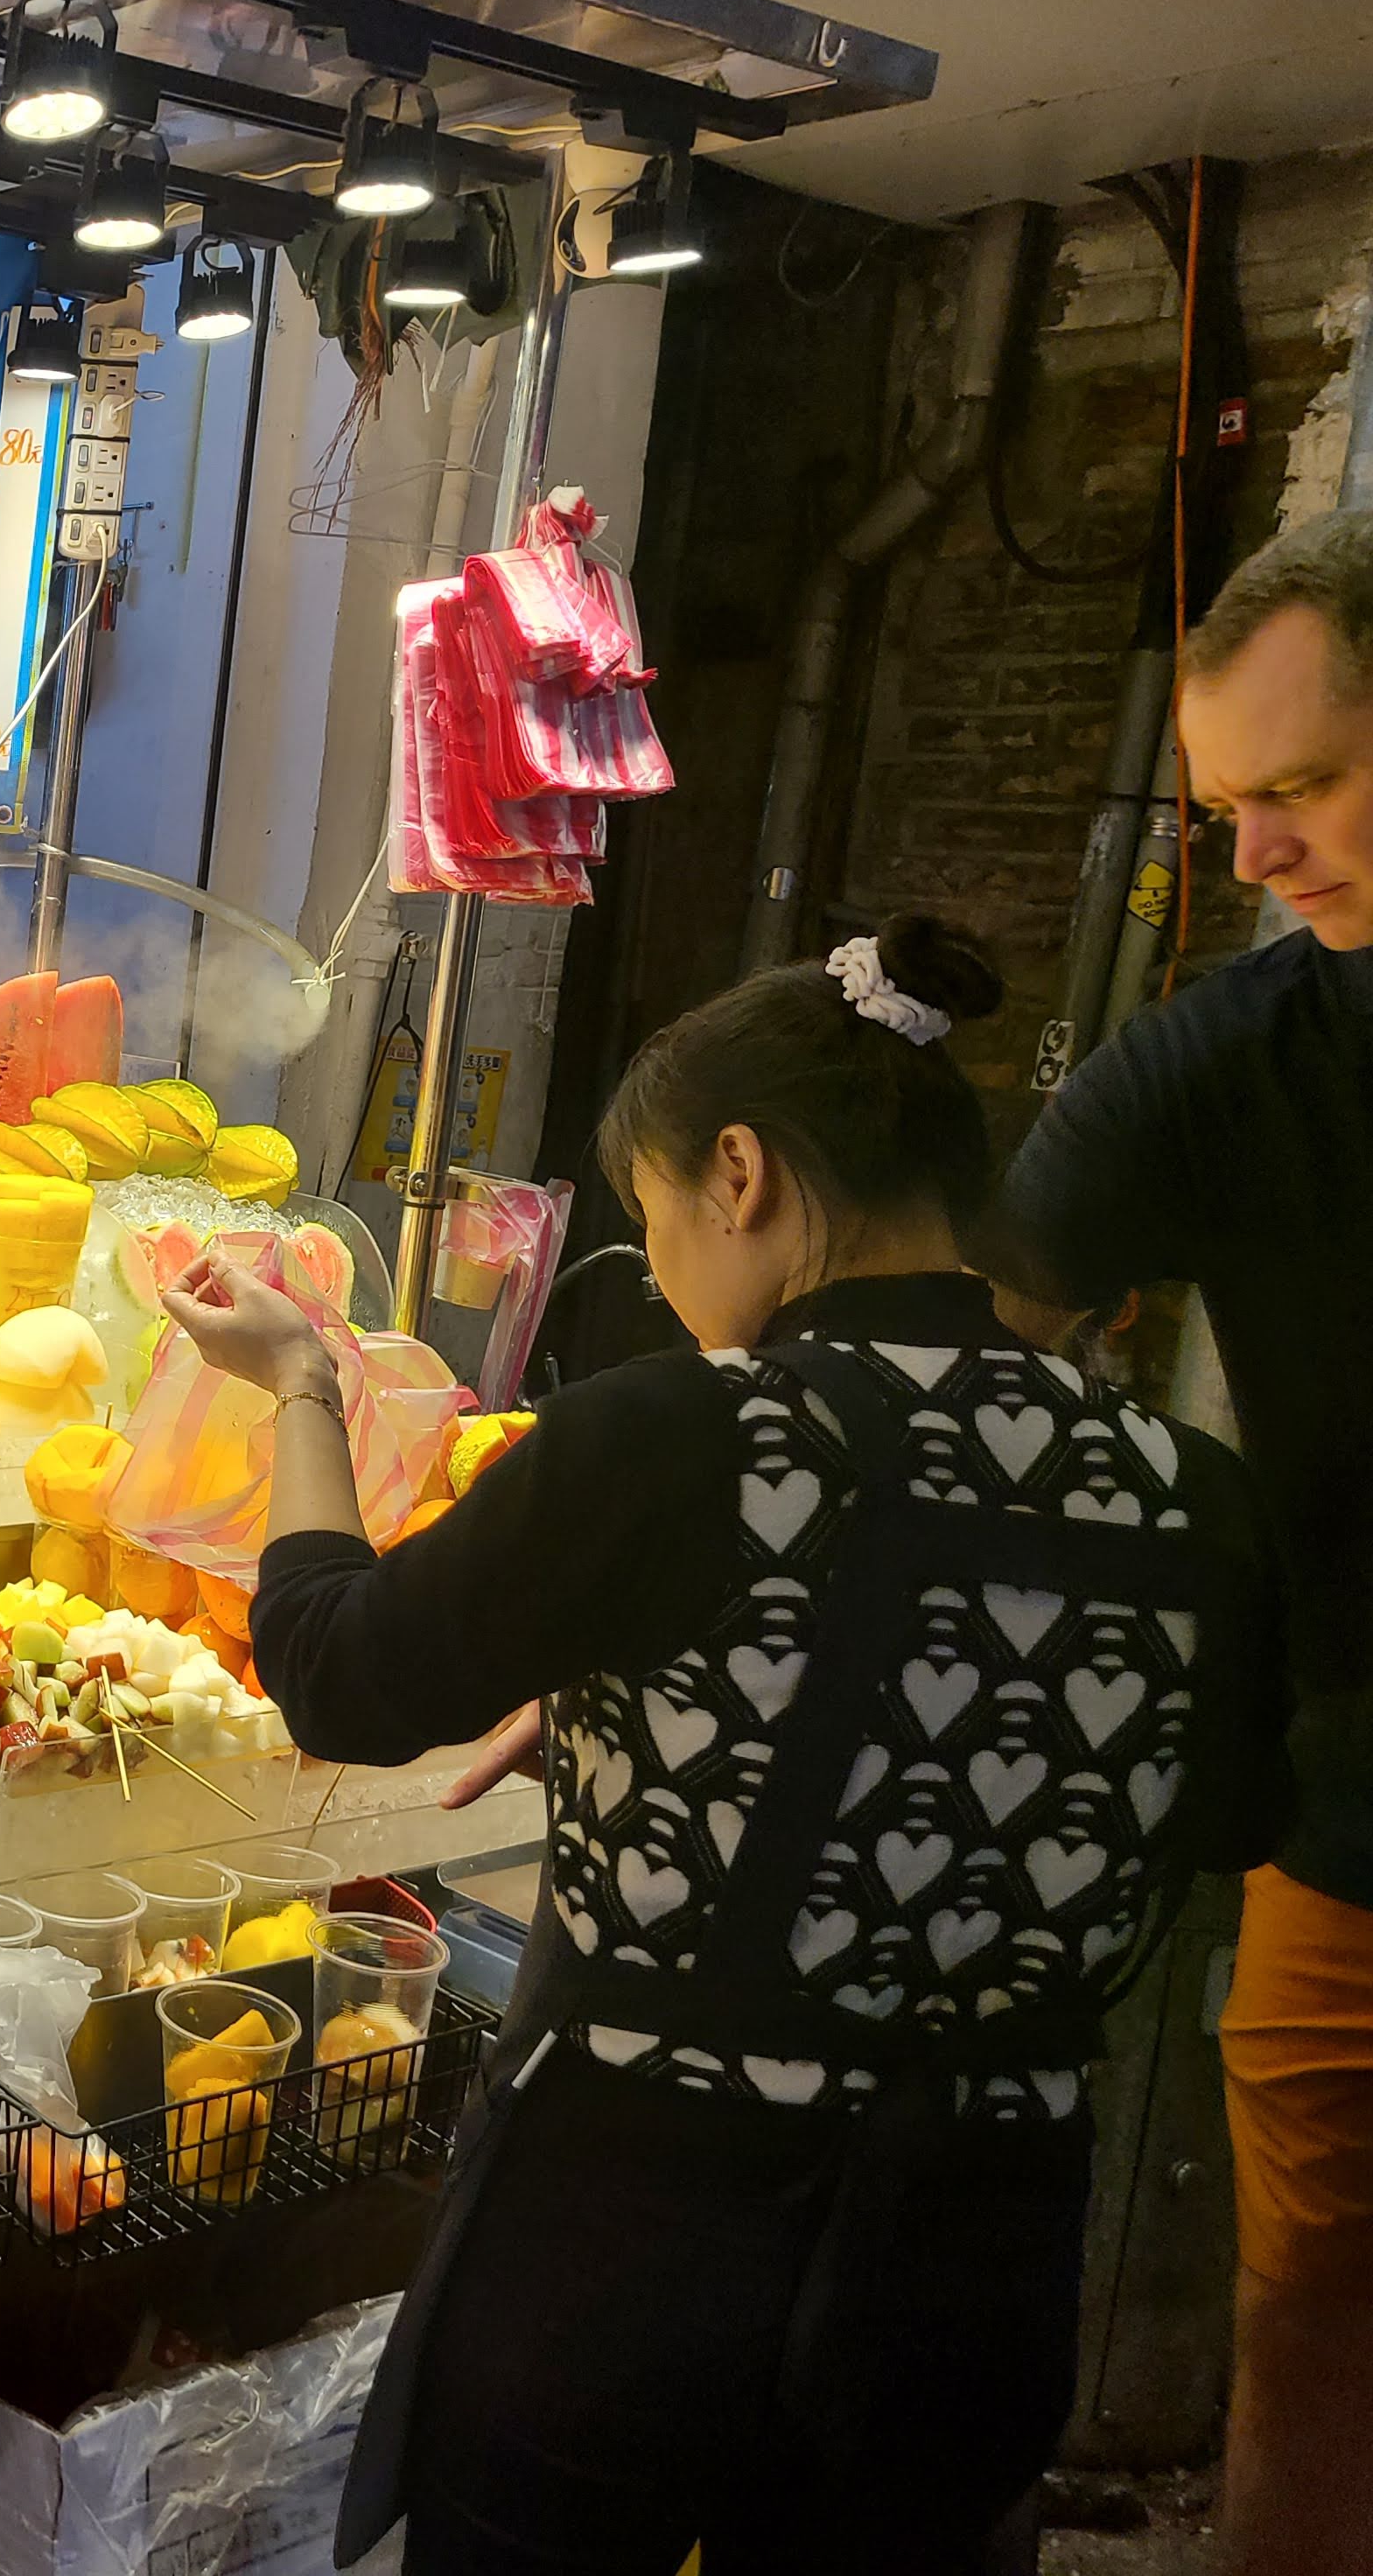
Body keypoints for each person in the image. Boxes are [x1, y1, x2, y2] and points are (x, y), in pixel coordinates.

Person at [161, 916, 1288, 2576]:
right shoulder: (1189, 1493)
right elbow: (1204, 1817)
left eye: (653, 1218)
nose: (663, 1271)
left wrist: (301, 1387)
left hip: (638, 2258)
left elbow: (337, 1672)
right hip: (973, 2280)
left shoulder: (696, 1431)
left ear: (740, 1175)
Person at [984, 508, 1373, 2576]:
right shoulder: (1232, 1063)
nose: (1260, 854)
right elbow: (967, 1331)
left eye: (1303, 786)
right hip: (1358, 1806)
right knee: (1310, 2312)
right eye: (1228, 810)